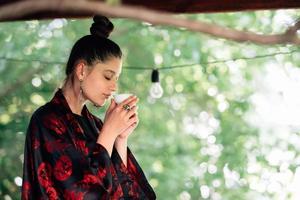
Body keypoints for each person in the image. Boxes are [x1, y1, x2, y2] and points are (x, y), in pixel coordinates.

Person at [21, 15, 156, 200]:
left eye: (117, 79)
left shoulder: (96, 125)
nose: (114, 87)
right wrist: (108, 132)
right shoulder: (47, 121)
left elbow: (129, 195)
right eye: (108, 77)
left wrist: (120, 139)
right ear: (82, 70)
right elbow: (85, 193)